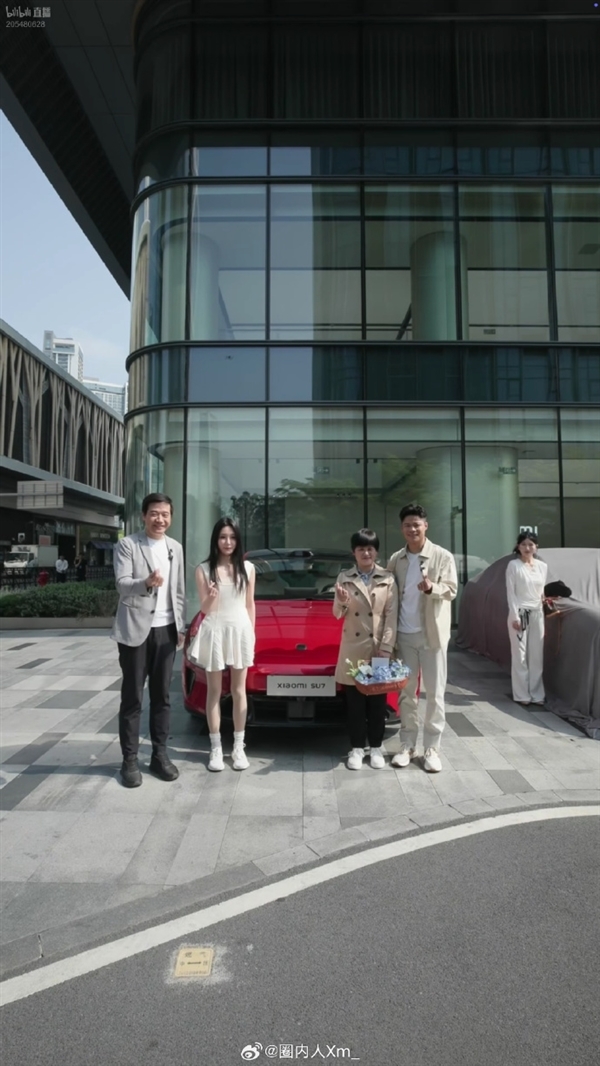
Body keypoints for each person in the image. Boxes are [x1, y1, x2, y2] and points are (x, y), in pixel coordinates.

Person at [112, 493, 186, 788]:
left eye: (165, 514)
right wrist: (146, 583)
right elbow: (121, 584)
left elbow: (178, 591)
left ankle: (159, 755)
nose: (160, 519)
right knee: (132, 697)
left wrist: (181, 625)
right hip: (135, 631)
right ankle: (129, 760)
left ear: (171, 517)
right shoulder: (128, 544)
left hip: (166, 631)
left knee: (162, 697)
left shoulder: (175, 547)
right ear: (144, 515)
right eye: (154, 513)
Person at [387, 503, 457, 774]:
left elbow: (451, 590)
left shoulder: (442, 556)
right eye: (407, 525)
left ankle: (432, 748)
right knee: (406, 693)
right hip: (404, 636)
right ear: (402, 528)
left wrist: (432, 588)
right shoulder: (397, 559)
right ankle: (407, 745)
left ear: (426, 526)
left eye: (417, 524)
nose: (412, 529)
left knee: (435, 694)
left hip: (432, 636)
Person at [193, 517, 255, 772]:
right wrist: (211, 596)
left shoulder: (248, 568)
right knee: (215, 691)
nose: (227, 542)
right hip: (215, 630)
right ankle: (216, 747)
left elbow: (250, 604)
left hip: (240, 630)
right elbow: (204, 609)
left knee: (239, 690)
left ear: (238, 540)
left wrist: (252, 634)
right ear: (215, 540)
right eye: (222, 537)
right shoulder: (203, 569)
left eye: (232, 537)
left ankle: (239, 746)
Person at [333, 529, 398, 770]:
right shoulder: (344, 577)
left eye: (370, 548)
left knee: (378, 702)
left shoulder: (388, 578)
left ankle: (377, 747)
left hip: (378, 648)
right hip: (353, 649)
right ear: (354, 552)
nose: (366, 553)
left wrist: (387, 647)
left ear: (376, 552)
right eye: (361, 549)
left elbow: (391, 616)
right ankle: (357, 748)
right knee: (355, 703)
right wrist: (342, 601)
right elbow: (337, 614)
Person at [506, 531, 548, 708]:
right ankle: (522, 693)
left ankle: (537, 694)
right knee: (520, 655)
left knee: (536, 655)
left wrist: (546, 600)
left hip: (537, 613)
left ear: (536, 546)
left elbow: (541, 591)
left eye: (531, 544)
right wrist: (515, 616)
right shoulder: (513, 565)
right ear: (518, 546)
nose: (527, 548)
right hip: (520, 612)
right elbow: (511, 593)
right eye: (523, 544)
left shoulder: (542, 566)